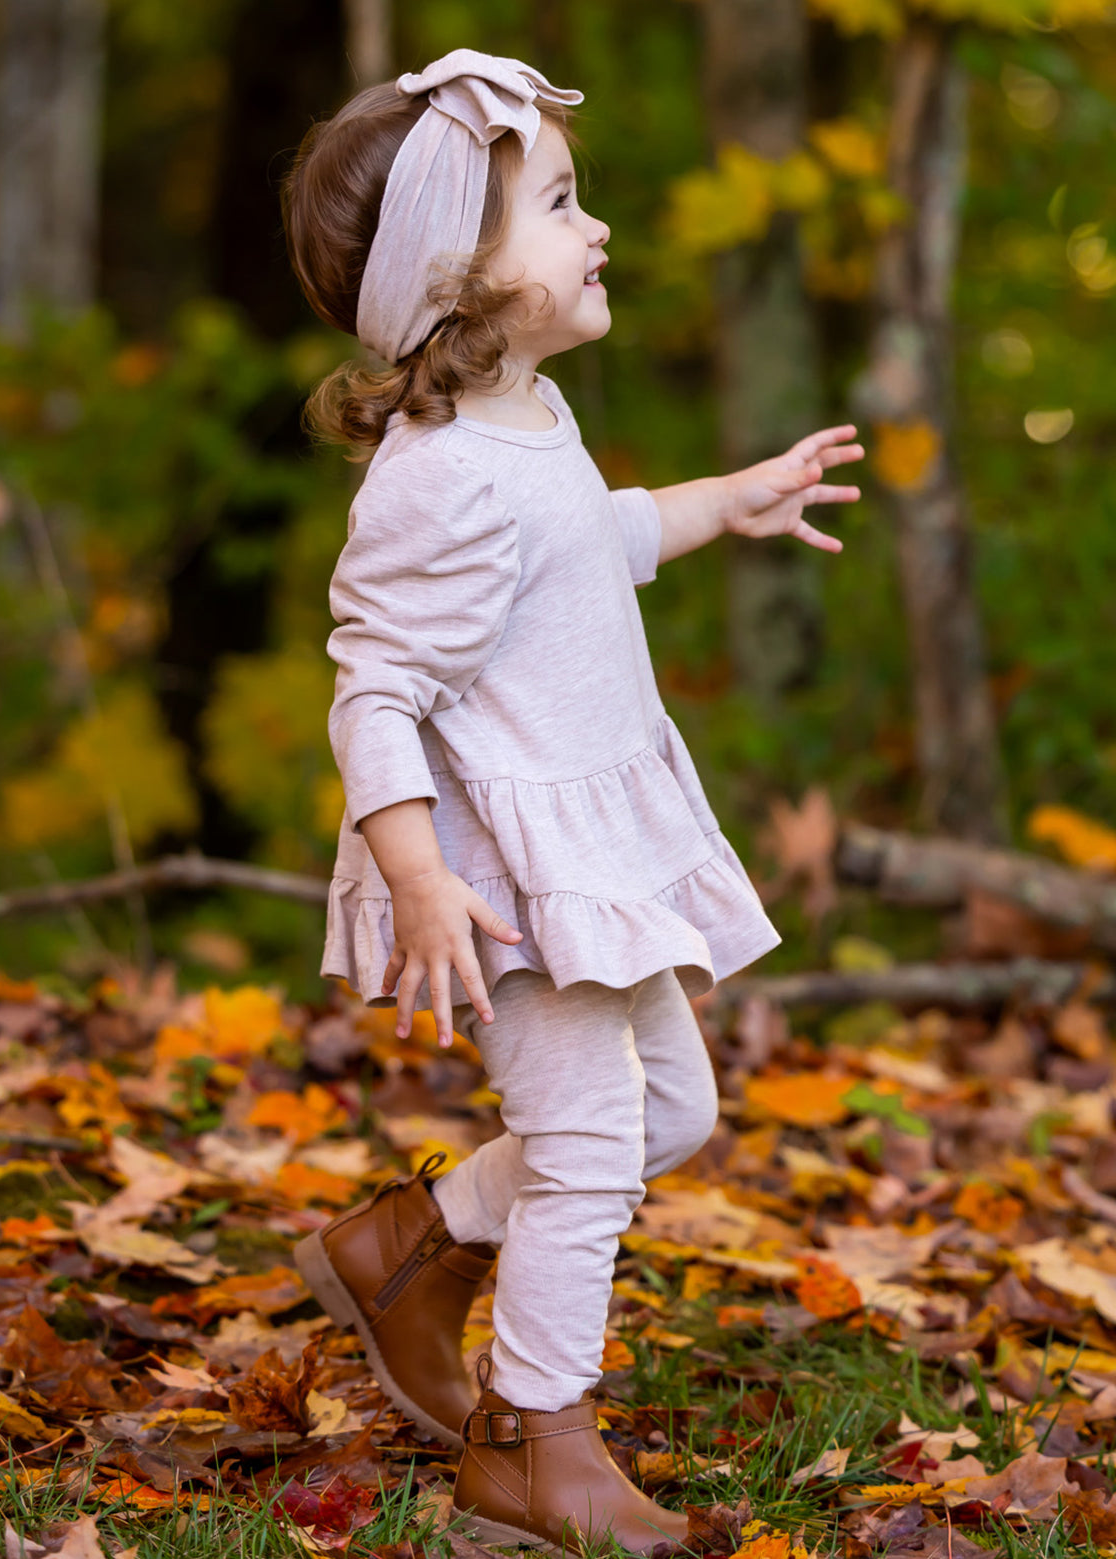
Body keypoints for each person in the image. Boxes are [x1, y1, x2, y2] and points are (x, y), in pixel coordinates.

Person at [281, 48, 863, 1555]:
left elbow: (580, 544)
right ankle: (532, 1442)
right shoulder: (434, 478)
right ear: (455, 278)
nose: (595, 225)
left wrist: (728, 500)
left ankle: (415, 1241)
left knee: (672, 1110)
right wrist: (419, 878)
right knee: (592, 1142)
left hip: (591, 850)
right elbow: (374, 688)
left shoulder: (527, 416)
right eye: (556, 202)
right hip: (502, 875)